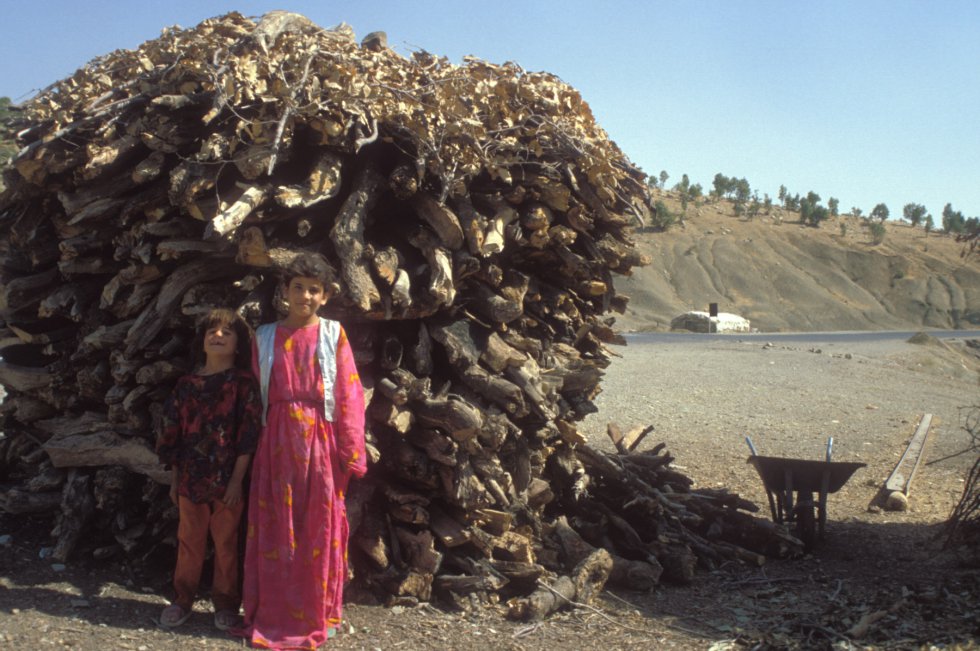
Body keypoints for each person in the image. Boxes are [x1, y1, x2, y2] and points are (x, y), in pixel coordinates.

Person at [237, 251, 367, 650]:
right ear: (285, 292)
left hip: (320, 442)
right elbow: (253, 397)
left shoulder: (332, 334)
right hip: (275, 440)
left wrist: (350, 448)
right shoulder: (264, 336)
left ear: (325, 296)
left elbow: (348, 392)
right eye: (298, 288)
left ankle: (316, 613)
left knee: (318, 526)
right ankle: (271, 613)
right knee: (276, 526)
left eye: (314, 290)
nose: (305, 296)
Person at [156, 308, 262, 630]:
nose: (218, 336)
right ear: (202, 341)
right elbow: (172, 435)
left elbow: (248, 435)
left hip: (227, 481)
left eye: (226, 333)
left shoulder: (244, 384)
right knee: (189, 541)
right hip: (190, 478)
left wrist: (236, 482)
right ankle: (182, 600)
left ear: (238, 345)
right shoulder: (186, 386)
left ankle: (226, 603)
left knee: (227, 544)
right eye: (211, 332)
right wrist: (174, 481)